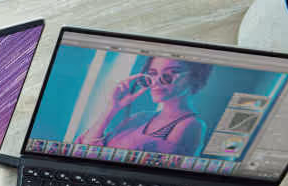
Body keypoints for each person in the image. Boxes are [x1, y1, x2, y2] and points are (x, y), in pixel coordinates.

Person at [79, 58, 213, 157]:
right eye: (152, 74)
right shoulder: (141, 117)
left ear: (195, 77)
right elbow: (85, 150)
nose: (156, 82)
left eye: (170, 74)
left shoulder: (191, 125)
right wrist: (112, 107)